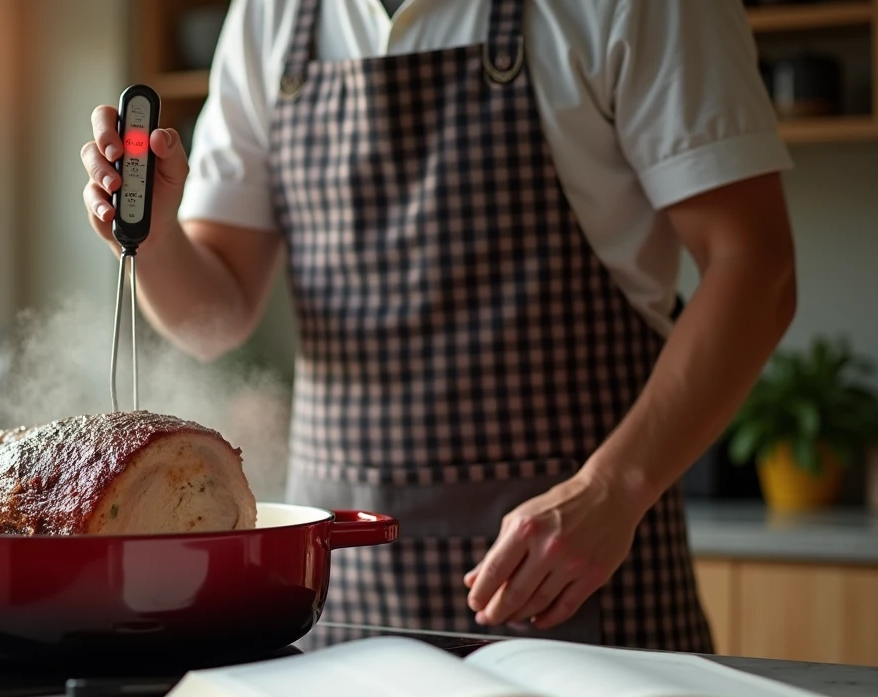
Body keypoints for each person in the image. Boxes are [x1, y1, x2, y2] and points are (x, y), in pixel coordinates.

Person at [81, 0, 797, 653]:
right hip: (343, 604)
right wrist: (157, 237)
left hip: (580, 583)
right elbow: (215, 320)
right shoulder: (272, 16)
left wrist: (614, 490)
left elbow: (756, 270)